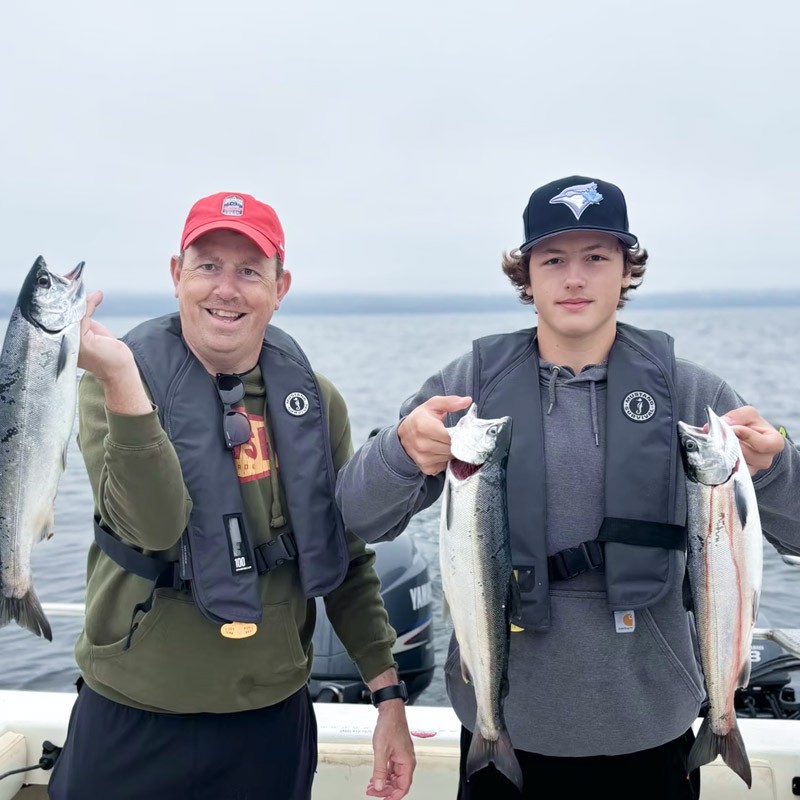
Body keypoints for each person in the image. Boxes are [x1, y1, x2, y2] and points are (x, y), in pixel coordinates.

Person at [334, 175, 800, 799]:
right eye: (553, 260)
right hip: (503, 739)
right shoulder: (469, 388)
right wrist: (399, 452)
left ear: (626, 271)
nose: (574, 279)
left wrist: (773, 471)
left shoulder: (692, 395)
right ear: (525, 275)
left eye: (596, 259)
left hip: (655, 734)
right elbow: (361, 518)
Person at [47, 192, 416, 800]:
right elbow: (152, 529)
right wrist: (118, 378)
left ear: (280, 286)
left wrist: (389, 696)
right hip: (130, 713)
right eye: (208, 266)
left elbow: (344, 555)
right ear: (176, 276)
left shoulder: (315, 403)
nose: (227, 288)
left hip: (269, 720)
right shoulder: (110, 384)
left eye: (249, 270)